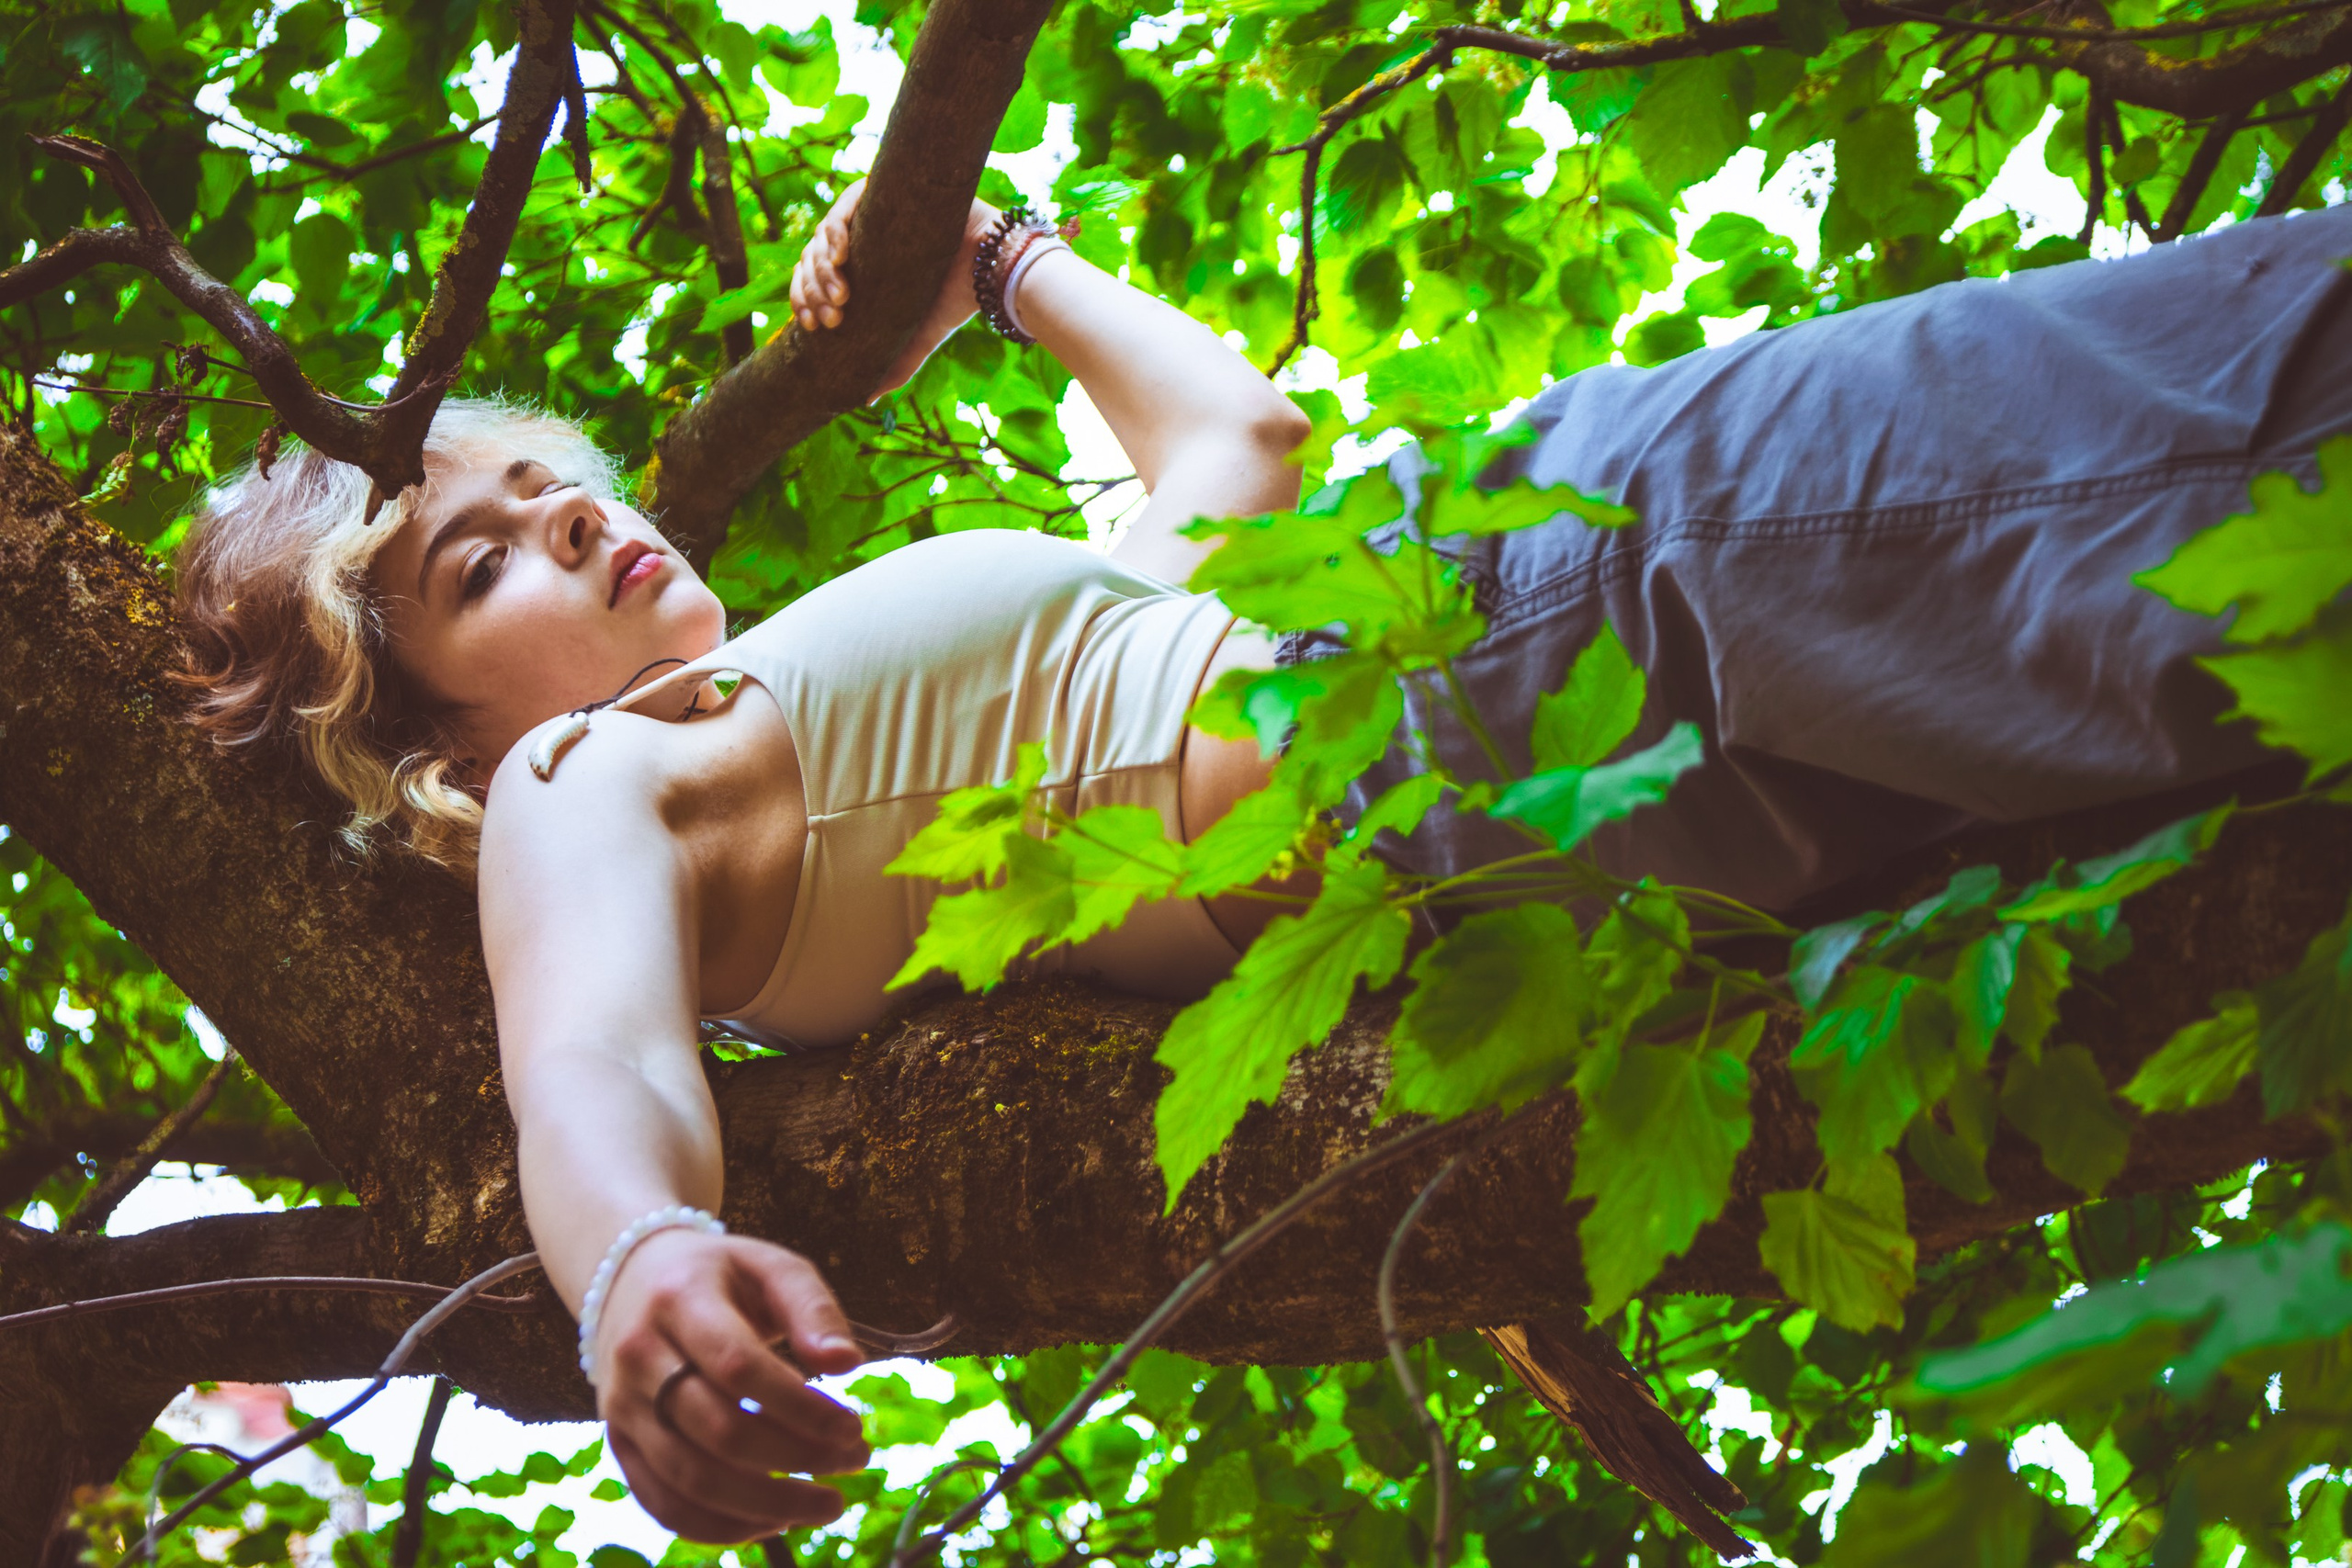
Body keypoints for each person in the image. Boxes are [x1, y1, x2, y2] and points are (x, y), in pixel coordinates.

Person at [170, 177, 2352, 1541]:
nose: (565, 511)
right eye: (477, 559)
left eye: (548, 477)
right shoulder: (595, 785)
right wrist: (638, 1251)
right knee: (2230, 415)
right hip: (1529, 614)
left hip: (1539, 810)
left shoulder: (849, 721)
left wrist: (1000, 264)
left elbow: (1236, 457)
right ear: (428, 754)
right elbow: (587, 1052)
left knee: (2217, 667)